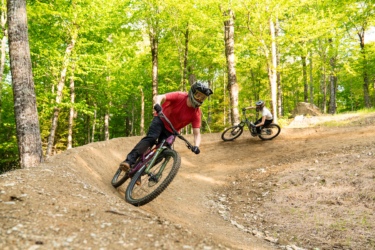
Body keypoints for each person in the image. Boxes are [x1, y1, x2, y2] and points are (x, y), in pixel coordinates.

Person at [119, 81, 213, 171]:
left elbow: (197, 134)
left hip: (172, 131)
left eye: (203, 98)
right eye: (198, 95)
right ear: (192, 92)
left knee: (162, 154)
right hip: (161, 119)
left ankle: (139, 172)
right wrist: (157, 105)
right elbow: (159, 97)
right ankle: (129, 161)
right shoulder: (180, 96)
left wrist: (196, 146)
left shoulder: (196, 113)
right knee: (151, 138)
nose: (200, 99)